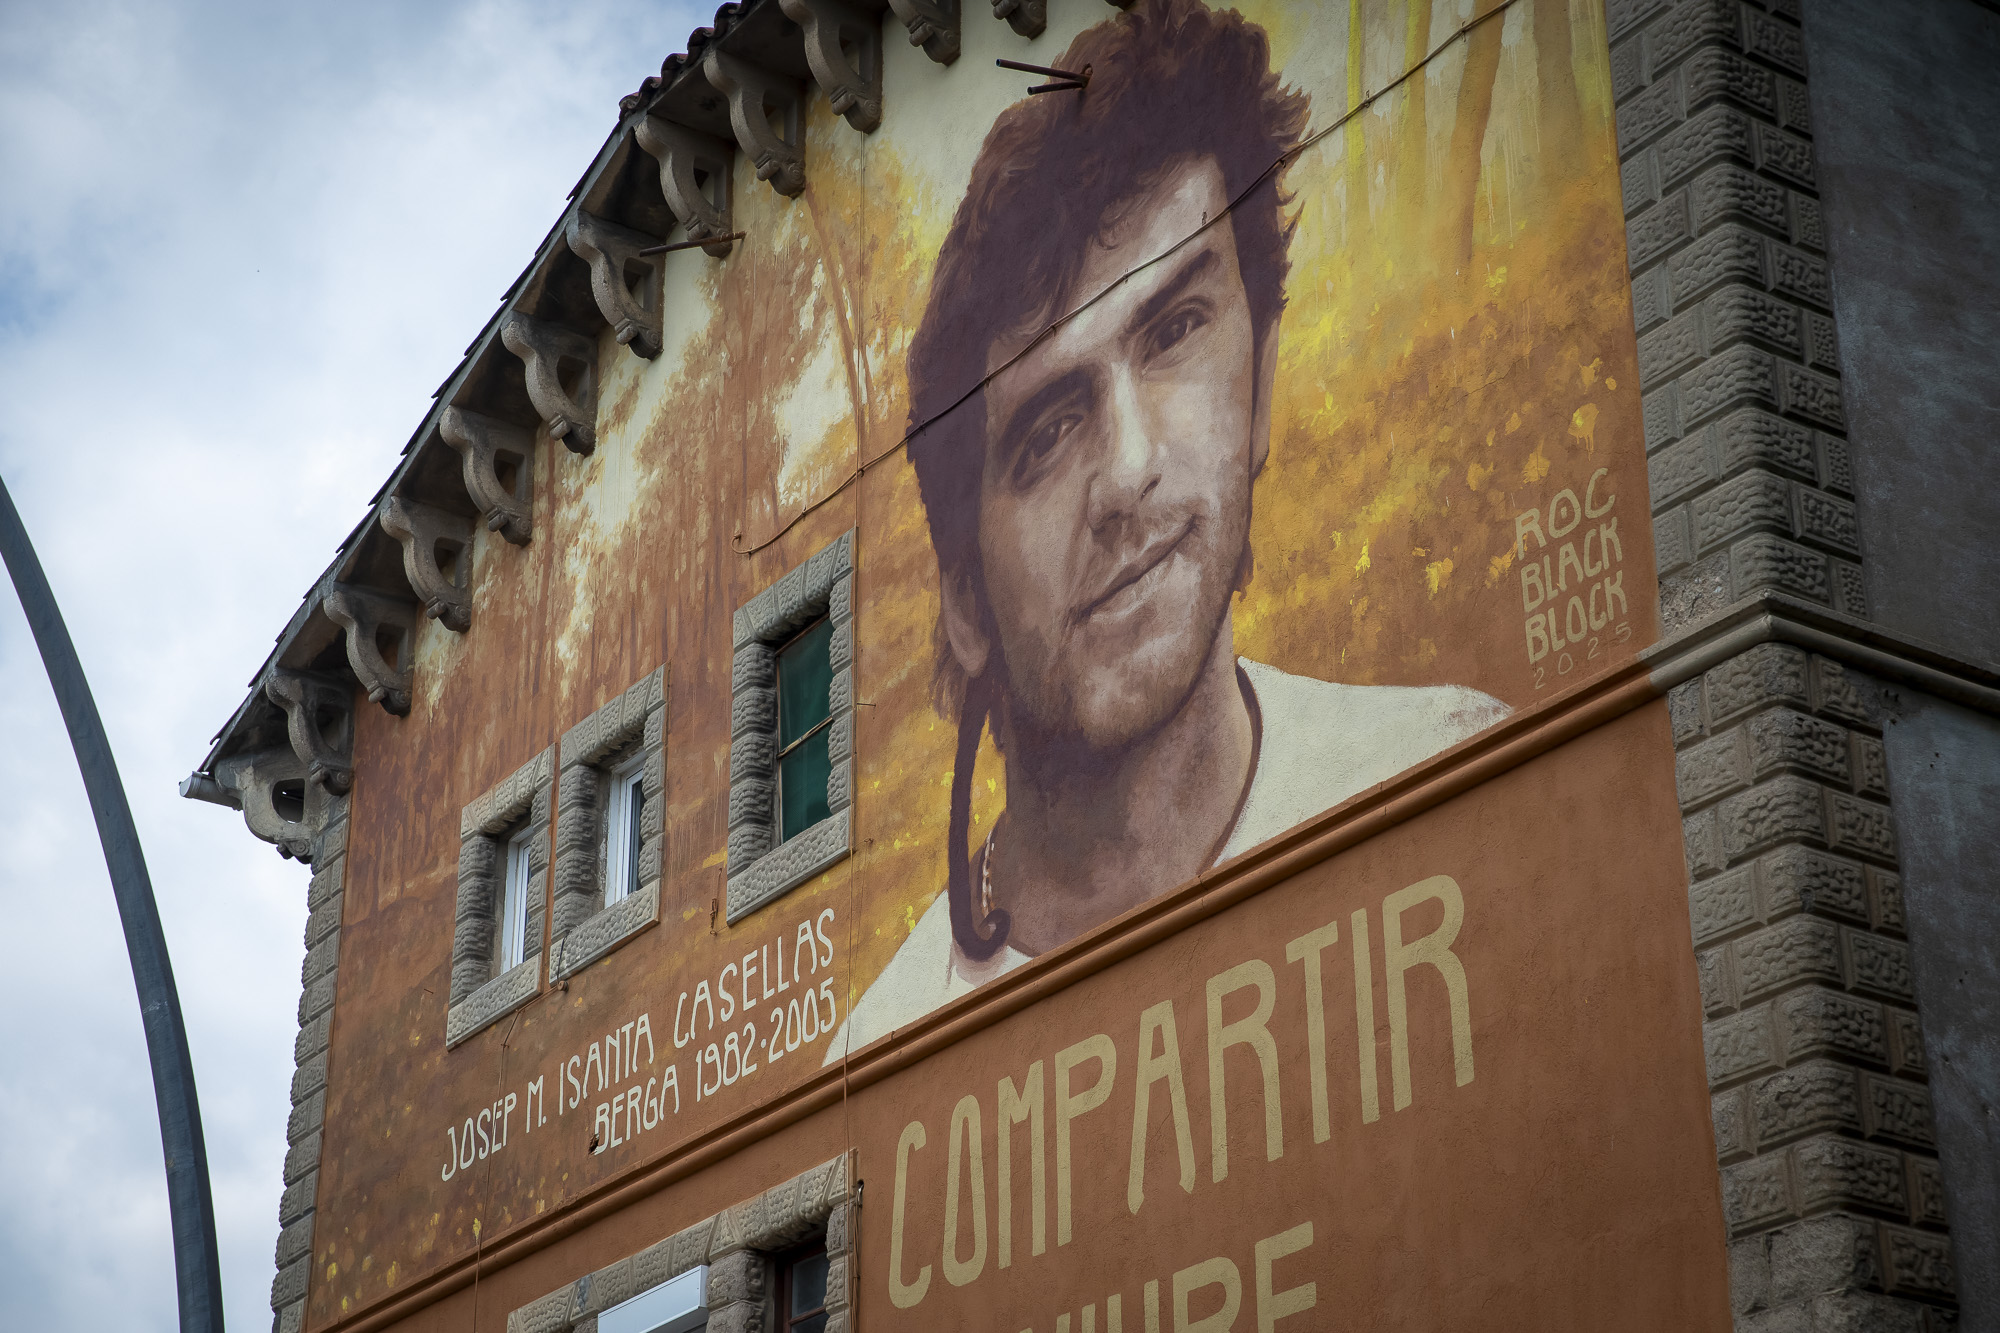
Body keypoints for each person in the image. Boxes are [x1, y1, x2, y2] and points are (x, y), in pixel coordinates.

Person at [829, 0, 1507, 1062]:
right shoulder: (881, 1057)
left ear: (1260, 385)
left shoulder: (1457, 780)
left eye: (1176, 330)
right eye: (1048, 432)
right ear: (965, 604)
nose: (1128, 469)